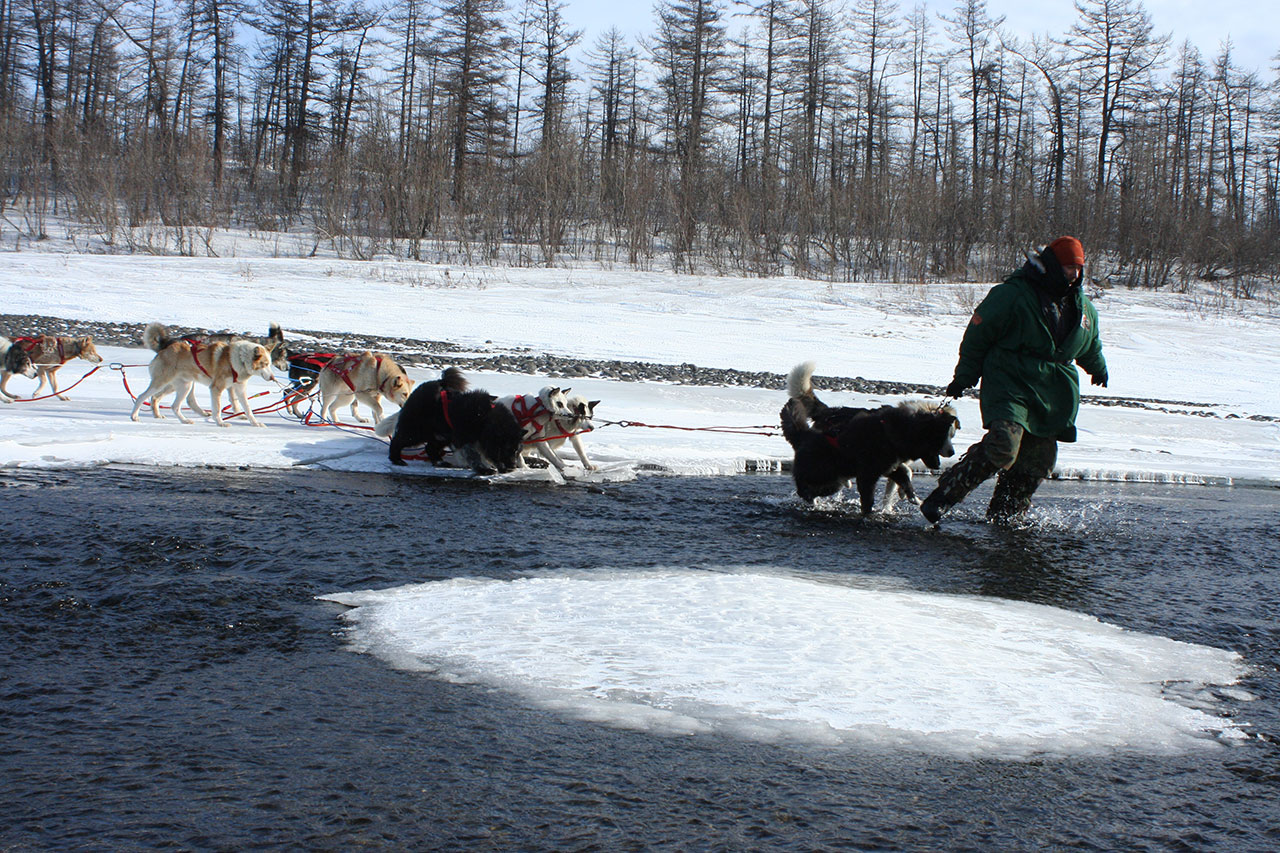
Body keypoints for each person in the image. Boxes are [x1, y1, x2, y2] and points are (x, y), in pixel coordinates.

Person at [919, 236, 1108, 523]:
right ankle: (944, 496)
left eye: (1079, 268)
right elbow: (978, 335)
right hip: (1012, 380)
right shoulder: (1013, 294)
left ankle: (1005, 517)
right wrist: (965, 376)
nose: (1075, 274)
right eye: (1070, 267)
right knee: (1004, 445)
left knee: (1038, 461)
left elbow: (1090, 341)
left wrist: (1098, 367)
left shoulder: (1082, 307)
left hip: (1052, 392)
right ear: (1054, 266)